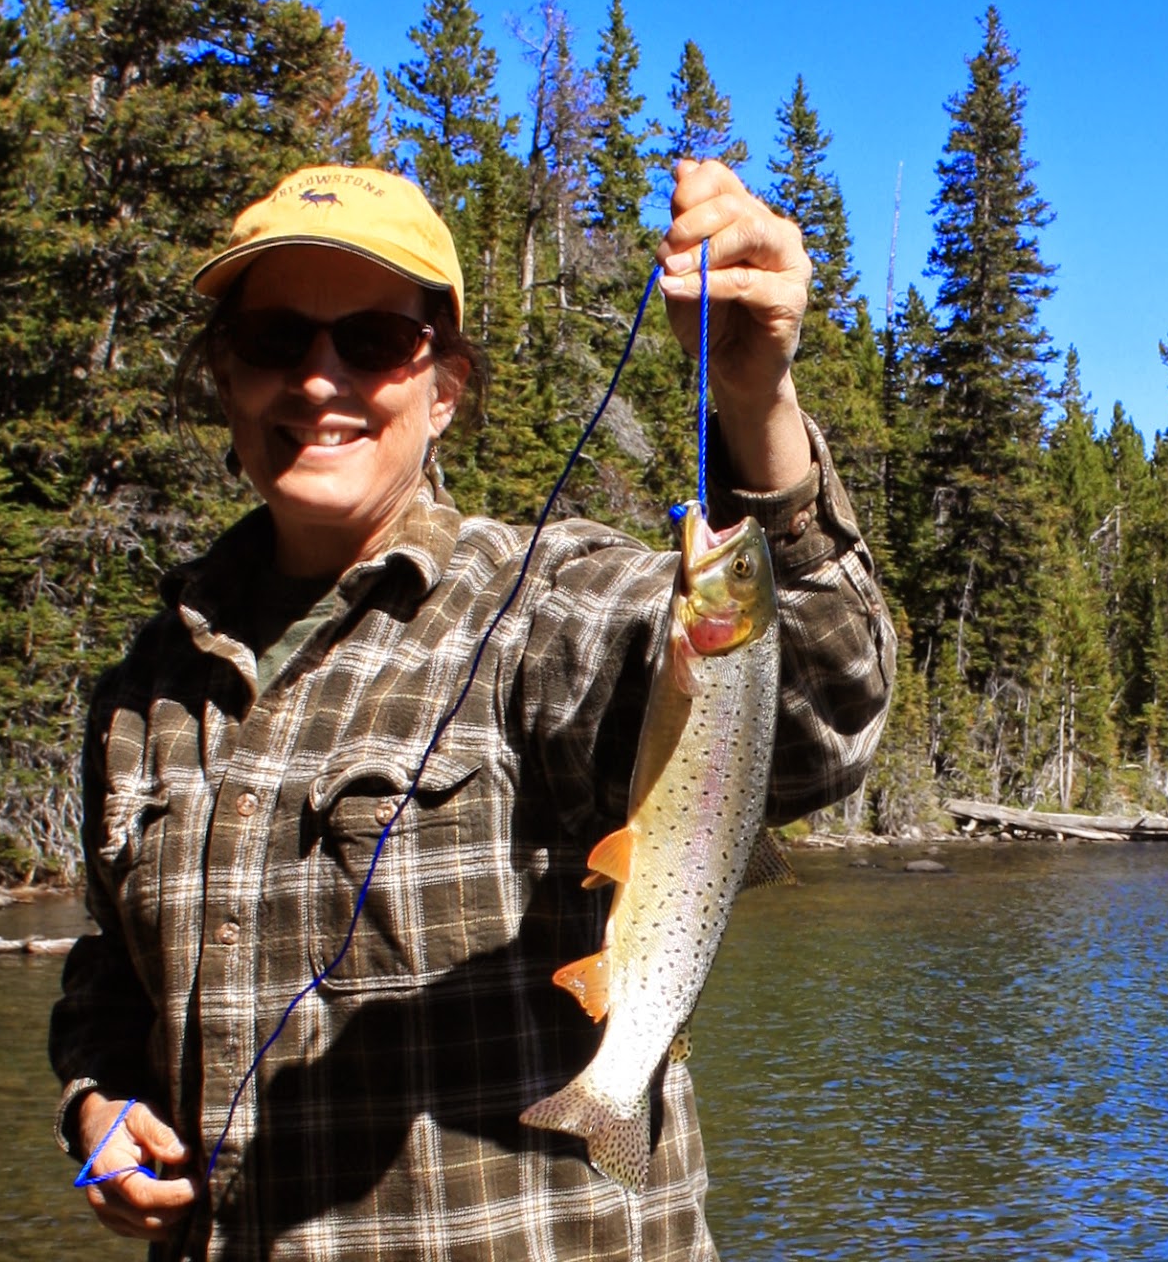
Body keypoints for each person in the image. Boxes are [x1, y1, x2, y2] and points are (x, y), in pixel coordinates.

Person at [49, 160, 894, 1260]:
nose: (317, 380)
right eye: (273, 340)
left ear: (442, 387)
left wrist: (754, 404)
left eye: (369, 341)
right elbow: (111, 971)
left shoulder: (546, 606)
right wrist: (94, 1106)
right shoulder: (147, 687)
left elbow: (822, 719)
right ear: (225, 376)